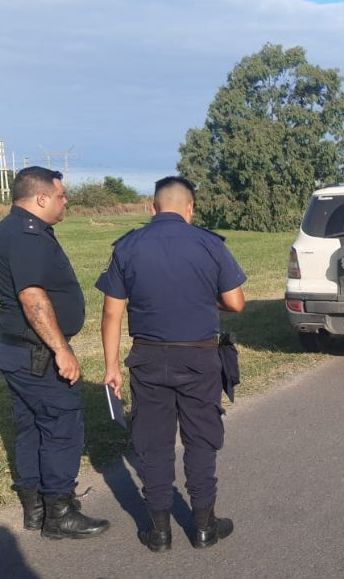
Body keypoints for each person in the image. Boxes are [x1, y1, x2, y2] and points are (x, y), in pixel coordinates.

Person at [96, 176, 246, 552]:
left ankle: (159, 530)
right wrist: (201, 301)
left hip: (147, 359)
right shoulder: (210, 245)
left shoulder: (128, 246)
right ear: (190, 209)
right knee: (200, 441)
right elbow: (237, 302)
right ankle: (204, 526)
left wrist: (111, 366)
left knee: (153, 443)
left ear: (152, 207)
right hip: (199, 357)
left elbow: (111, 313)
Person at [0, 166, 109, 539]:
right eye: (61, 196)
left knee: (30, 425)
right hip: (38, 353)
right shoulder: (28, 236)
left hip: (16, 351)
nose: (66, 201)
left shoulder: (11, 230)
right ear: (41, 198)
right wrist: (62, 350)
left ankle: (35, 508)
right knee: (62, 424)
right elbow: (32, 298)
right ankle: (59, 513)